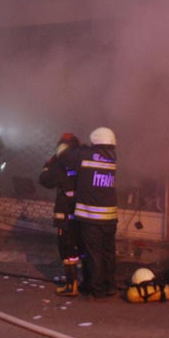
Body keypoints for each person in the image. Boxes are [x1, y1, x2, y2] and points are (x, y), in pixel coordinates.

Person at [57, 126, 118, 298]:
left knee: (94, 254)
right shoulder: (112, 157)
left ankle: (97, 290)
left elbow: (63, 155)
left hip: (92, 217)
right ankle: (109, 286)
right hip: (110, 218)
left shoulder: (85, 155)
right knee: (108, 253)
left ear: (95, 142)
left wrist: (66, 142)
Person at [39, 133, 81, 296]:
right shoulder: (83, 160)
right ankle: (87, 282)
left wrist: (47, 164)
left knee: (67, 249)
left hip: (65, 215)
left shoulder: (59, 163)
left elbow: (44, 179)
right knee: (82, 248)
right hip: (83, 214)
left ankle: (71, 285)